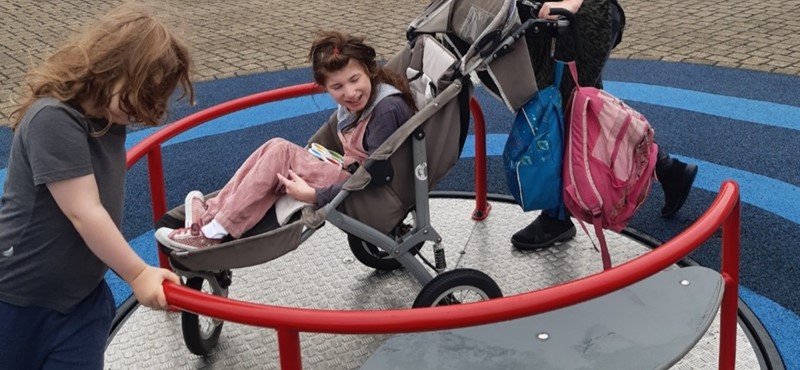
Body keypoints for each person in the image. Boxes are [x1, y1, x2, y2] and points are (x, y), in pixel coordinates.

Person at [0, 2, 193, 368]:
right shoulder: (53, 118)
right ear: (110, 67)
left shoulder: (107, 118)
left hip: (80, 300)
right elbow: (83, 211)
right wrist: (137, 273)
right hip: (17, 298)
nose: (140, 110)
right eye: (139, 95)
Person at [155, 30, 417, 251]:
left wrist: (313, 195)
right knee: (274, 148)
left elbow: (376, 177)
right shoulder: (367, 99)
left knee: (280, 152)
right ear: (324, 87)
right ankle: (212, 213)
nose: (350, 92)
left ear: (369, 71)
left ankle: (212, 233)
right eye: (337, 87)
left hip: (370, 190)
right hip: (354, 175)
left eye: (354, 80)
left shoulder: (384, 110)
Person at [511, 0, 698, 250]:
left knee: (566, 110)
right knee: (585, 112)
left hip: (580, 16)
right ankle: (668, 169)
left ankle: (556, 217)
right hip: (556, 20)